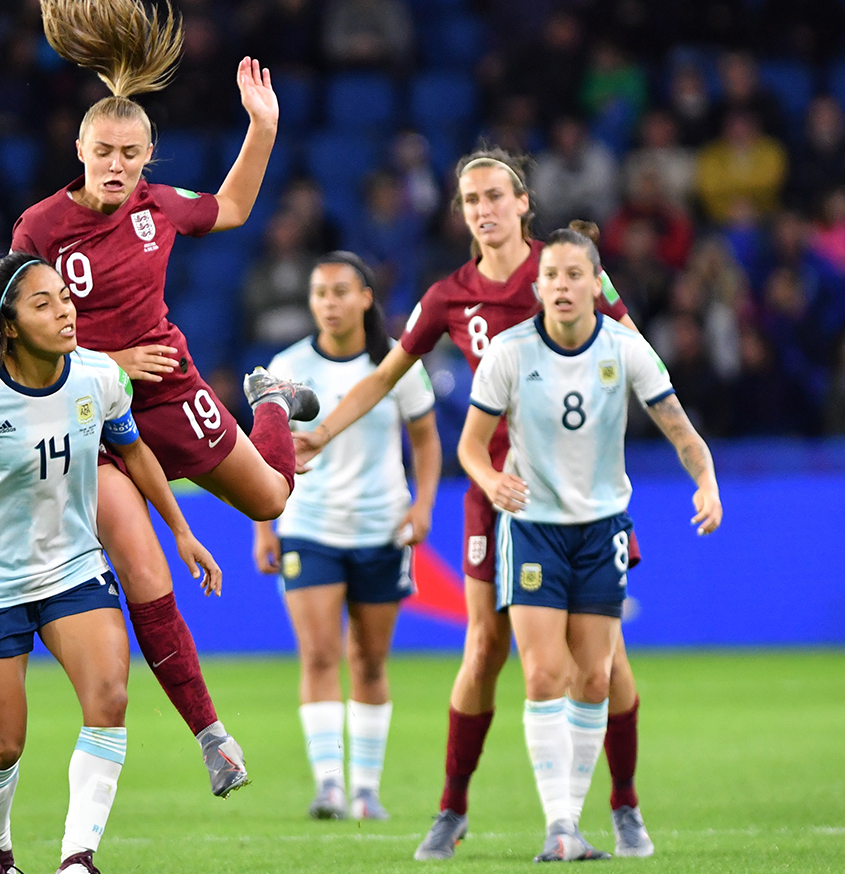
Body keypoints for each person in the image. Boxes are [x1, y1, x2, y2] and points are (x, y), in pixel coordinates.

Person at [294, 148, 655, 860]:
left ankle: (624, 802)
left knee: (603, 662)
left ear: (524, 203)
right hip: (497, 496)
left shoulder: (567, 271)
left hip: (579, 497)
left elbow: (637, 353)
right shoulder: (448, 297)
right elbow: (384, 376)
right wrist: (321, 434)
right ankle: (451, 808)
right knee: (484, 648)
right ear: (460, 212)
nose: (483, 209)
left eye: (495, 195)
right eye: (470, 199)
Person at [11, 0, 318, 796]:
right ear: (79, 150)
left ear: (148, 158)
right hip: (92, 416)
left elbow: (234, 208)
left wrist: (263, 129)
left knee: (273, 502)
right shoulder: (40, 228)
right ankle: (212, 735)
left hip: (173, 392)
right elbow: (18, 340)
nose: (115, 166)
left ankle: (267, 405)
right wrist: (105, 364)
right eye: (102, 152)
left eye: (130, 154)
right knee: (147, 576)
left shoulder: (159, 205)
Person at [0, 253, 220, 874]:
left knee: (110, 696)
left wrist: (182, 531)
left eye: (64, 297)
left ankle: (77, 858)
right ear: (9, 326)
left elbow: (134, 452)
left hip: (73, 568)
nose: (65, 310)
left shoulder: (97, 376)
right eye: (43, 303)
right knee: (3, 746)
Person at [460, 222, 721, 861]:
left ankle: (585, 819)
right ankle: (559, 829)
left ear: (594, 285)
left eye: (575, 274)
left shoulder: (628, 350)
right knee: (545, 672)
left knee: (596, 677)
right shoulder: (508, 353)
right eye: (551, 275)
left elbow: (681, 431)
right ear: (539, 284)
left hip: (602, 530)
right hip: (534, 531)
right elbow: (469, 445)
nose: (562, 285)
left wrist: (707, 481)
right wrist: (492, 480)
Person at [252, 252, 440, 821]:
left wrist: (423, 505)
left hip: (382, 527)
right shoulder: (286, 367)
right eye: (319, 292)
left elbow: (428, 442)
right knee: (319, 654)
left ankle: (366, 790)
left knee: (371, 662)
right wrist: (264, 526)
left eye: (339, 291)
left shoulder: (397, 364)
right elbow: (261, 452)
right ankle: (330, 785)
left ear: (365, 297)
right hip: (309, 527)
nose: (328, 302)